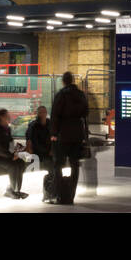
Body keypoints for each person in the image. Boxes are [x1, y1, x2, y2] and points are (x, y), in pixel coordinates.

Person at [50, 71, 89, 205]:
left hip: (63, 134)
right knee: (74, 165)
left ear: (63, 81)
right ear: (72, 80)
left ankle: (60, 195)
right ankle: (71, 195)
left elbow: (55, 115)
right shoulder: (80, 95)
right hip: (77, 134)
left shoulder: (61, 95)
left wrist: (53, 134)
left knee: (58, 164)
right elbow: (86, 112)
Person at [27, 105, 56, 204]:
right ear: (38, 114)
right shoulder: (33, 125)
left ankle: (52, 193)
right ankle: (48, 195)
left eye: (44, 112)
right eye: (41, 112)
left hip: (49, 152)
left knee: (56, 167)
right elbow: (31, 141)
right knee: (51, 169)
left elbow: (54, 138)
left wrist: (52, 149)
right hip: (39, 153)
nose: (43, 114)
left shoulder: (50, 124)